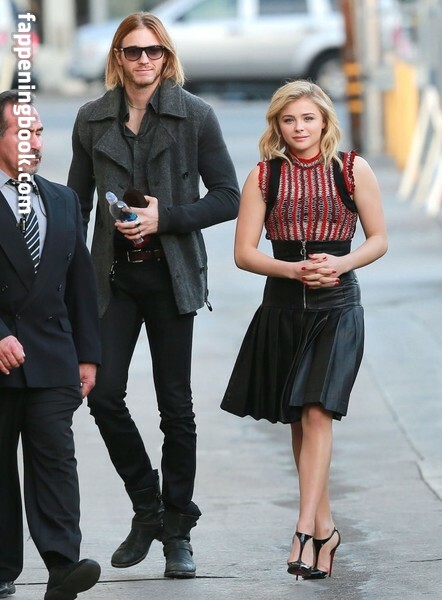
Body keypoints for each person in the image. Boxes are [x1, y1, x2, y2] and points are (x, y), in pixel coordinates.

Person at [67, 12, 239, 579]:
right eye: (133, 51)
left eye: (154, 51)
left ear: (167, 57)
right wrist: (60, 281)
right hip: (112, 280)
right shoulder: (91, 119)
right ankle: (149, 508)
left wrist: (168, 219)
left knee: (176, 408)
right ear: (117, 57)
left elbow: (228, 196)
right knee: (103, 395)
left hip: (172, 278)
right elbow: (76, 205)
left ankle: (177, 533)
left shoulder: (195, 116)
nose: (144, 60)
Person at [221, 80, 387, 580]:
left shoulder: (352, 169)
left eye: (308, 118)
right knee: (300, 419)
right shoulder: (263, 175)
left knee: (317, 411)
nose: (299, 128)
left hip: (338, 306)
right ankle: (325, 526)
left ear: (324, 121)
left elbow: (378, 239)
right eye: (289, 119)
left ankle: (302, 530)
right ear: (277, 124)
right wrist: (294, 270)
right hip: (283, 307)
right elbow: (244, 253)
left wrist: (340, 263)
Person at [0, 90, 102, 599]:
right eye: (24, 134)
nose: (36, 143)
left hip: (53, 357)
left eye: (39, 133)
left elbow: (81, 283)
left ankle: (63, 567)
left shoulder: (62, 200)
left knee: (56, 462)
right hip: (1, 358)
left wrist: (88, 355)